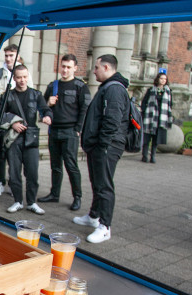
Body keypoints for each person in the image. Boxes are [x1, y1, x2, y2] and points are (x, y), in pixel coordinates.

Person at [74, 54, 130, 243]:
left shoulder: (114, 89)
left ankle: (105, 227)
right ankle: (93, 216)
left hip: (106, 147)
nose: (94, 71)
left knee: (104, 186)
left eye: (96, 67)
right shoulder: (109, 87)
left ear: (106, 67)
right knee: (98, 182)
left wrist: (102, 145)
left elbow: (112, 121)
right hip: (101, 146)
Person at [0, 64, 52, 215]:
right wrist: (12, 123)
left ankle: (32, 202)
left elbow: (45, 109)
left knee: (32, 173)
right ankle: (18, 201)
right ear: (14, 78)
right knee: (14, 173)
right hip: (13, 140)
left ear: (28, 76)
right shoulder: (7, 96)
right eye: (19, 77)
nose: (22, 80)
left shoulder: (36, 94)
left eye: (25, 77)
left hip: (31, 138)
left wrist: (47, 116)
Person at [38, 54, 90, 211]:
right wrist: (48, 103)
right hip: (54, 130)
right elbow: (41, 107)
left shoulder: (80, 87)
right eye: (63, 66)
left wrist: (78, 130)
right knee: (55, 165)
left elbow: (84, 109)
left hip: (70, 131)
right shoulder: (53, 86)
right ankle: (54, 194)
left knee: (71, 165)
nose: (65, 70)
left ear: (75, 68)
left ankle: (77, 197)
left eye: (68, 67)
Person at [0, 44, 33, 197]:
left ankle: (14, 184)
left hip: (19, 123)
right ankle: (0, 182)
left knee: (16, 157)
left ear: (17, 56)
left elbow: (30, 94)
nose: (8, 58)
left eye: (11, 55)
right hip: (3, 119)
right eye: (6, 55)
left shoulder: (25, 72)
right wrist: (3, 95)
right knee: (0, 154)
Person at [141, 72, 172, 163]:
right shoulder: (151, 90)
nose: (163, 80)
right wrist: (144, 111)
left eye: (165, 79)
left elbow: (170, 104)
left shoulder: (168, 91)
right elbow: (144, 102)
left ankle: (153, 156)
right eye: (161, 78)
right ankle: (144, 155)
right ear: (157, 79)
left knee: (156, 139)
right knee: (147, 137)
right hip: (150, 117)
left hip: (161, 118)